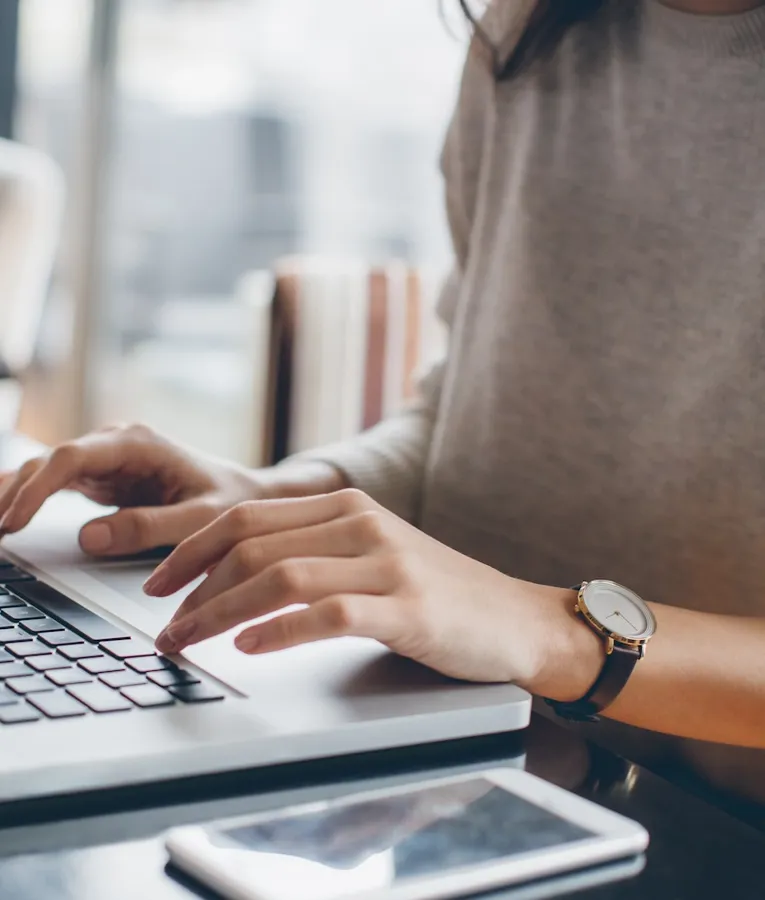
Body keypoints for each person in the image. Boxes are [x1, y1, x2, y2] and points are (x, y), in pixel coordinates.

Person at [1, 0, 764, 799]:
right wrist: (276, 495)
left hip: (711, 828)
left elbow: (520, 617)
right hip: (457, 755)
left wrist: (548, 630)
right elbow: (463, 411)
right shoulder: (528, 31)